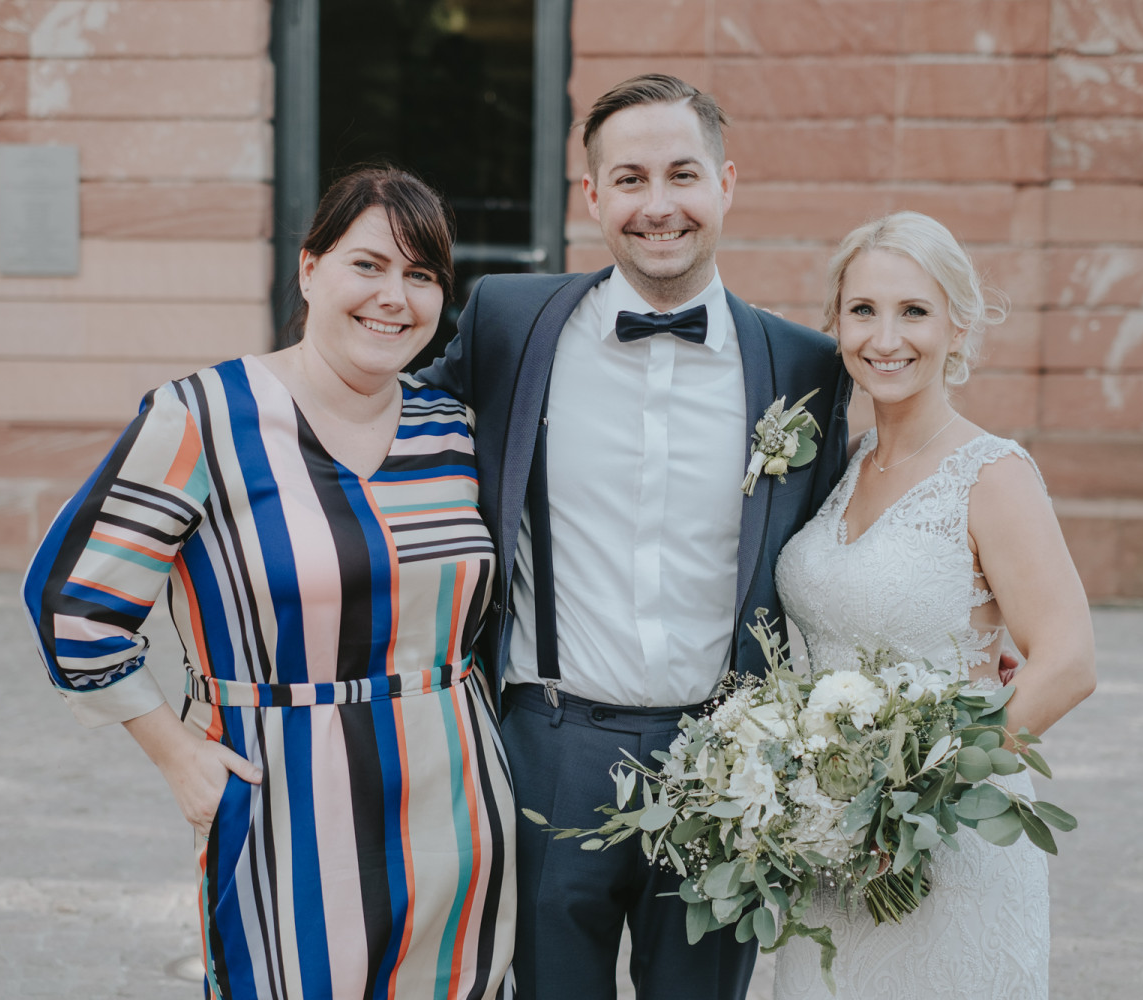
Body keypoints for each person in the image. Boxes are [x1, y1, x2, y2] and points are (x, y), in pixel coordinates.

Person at [21, 167, 515, 1000]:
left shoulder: (452, 428)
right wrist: (176, 752)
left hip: (460, 808)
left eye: (421, 275)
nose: (394, 296)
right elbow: (71, 604)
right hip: (286, 806)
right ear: (309, 268)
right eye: (368, 265)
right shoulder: (202, 418)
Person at [419, 75, 852, 1000]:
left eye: (683, 174)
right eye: (630, 179)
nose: (658, 206)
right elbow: (388, 425)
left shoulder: (806, 366)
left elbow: (858, 522)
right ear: (594, 197)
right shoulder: (509, 321)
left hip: (727, 760)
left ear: (727, 183)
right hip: (549, 743)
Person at [771, 211, 1097, 1000]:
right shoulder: (845, 465)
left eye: (913, 311)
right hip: (833, 846)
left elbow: (1068, 662)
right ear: (837, 327)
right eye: (863, 311)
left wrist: (916, 797)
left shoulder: (992, 474)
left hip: (947, 842)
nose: (886, 337)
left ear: (959, 325)